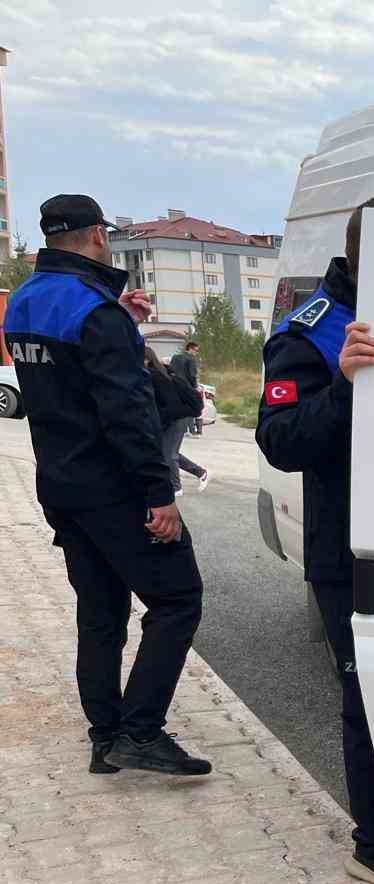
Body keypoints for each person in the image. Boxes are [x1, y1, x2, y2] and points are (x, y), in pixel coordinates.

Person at [255, 194, 374, 884]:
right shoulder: (309, 332)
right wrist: (342, 383)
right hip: (354, 550)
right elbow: (278, 441)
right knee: (369, 700)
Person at [3, 193, 209, 776]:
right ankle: (141, 732)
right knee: (177, 599)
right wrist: (157, 494)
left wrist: (126, 326)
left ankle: (105, 738)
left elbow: (65, 387)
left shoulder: (23, 302)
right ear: (98, 235)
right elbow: (127, 413)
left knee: (100, 614)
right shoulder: (98, 312)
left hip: (60, 485)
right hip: (116, 489)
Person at [146, 346, 208, 495]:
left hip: (180, 415)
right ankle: (201, 473)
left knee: (169, 453)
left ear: (146, 359)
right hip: (176, 414)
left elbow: (171, 404)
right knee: (167, 450)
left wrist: (160, 422)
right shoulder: (158, 372)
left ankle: (176, 488)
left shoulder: (157, 376)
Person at [169, 340, 207, 439]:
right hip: (187, 387)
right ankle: (191, 431)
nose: (196, 353)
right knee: (190, 407)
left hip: (174, 386)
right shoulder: (191, 359)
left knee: (178, 407)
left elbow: (170, 370)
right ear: (189, 349)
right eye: (196, 350)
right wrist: (195, 386)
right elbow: (192, 375)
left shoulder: (175, 357)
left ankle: (181, 430)